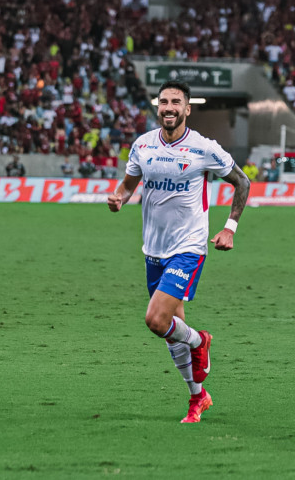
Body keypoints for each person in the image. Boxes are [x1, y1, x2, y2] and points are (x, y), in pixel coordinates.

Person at [107, 81, 250, 424]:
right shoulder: (142, 145)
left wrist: (229, 228)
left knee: (156, 320)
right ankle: (197, 398)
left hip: (188, 247)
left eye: (176, 102)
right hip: (153, 249)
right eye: (164, 102)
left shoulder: (203, 147)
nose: (168, 107)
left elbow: (242, 182)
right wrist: (118, 198)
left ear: (187, 109)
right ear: (158, 107)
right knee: (172, 332)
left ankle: (202, 341)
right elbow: (128, 185)